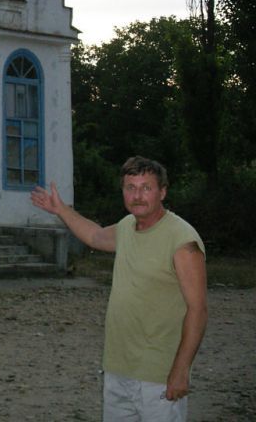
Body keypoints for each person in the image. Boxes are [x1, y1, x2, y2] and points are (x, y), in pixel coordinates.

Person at [31, 156, 207, 422]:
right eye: (130, 187)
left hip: (158, 375)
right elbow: (95, 236)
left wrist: (181, 370)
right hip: (118, 368)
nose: (137, 196)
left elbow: (198, 310)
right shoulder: (127, 227)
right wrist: (62, 210)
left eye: (146, 187)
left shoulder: (182, 241)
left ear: (162, 192)